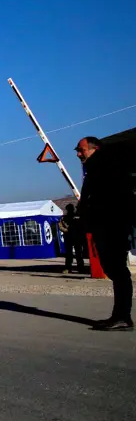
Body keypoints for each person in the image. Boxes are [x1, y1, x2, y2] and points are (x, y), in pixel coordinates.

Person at [76, 136, 134, 331]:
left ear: (95, 149)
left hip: (112, 225)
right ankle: (120, 315)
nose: (78, 154)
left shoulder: (105, 167)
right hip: (107, 225)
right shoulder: (96, 167)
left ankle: (123, 316)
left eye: (81, 150)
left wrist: (95, 216)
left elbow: (111, 198)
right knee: (114, 269)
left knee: (117, 270)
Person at [59, 204, 86, 274]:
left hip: (77, 236)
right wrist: (67, 230)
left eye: (71, 208)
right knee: (69, 254)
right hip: (68, 237)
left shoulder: (78, 217)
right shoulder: (64, 218)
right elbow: (60, 226)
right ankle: (68, 268)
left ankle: (81, 267)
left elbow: (82, 225)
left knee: (78, 253)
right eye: (69, 209)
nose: (70, 210)